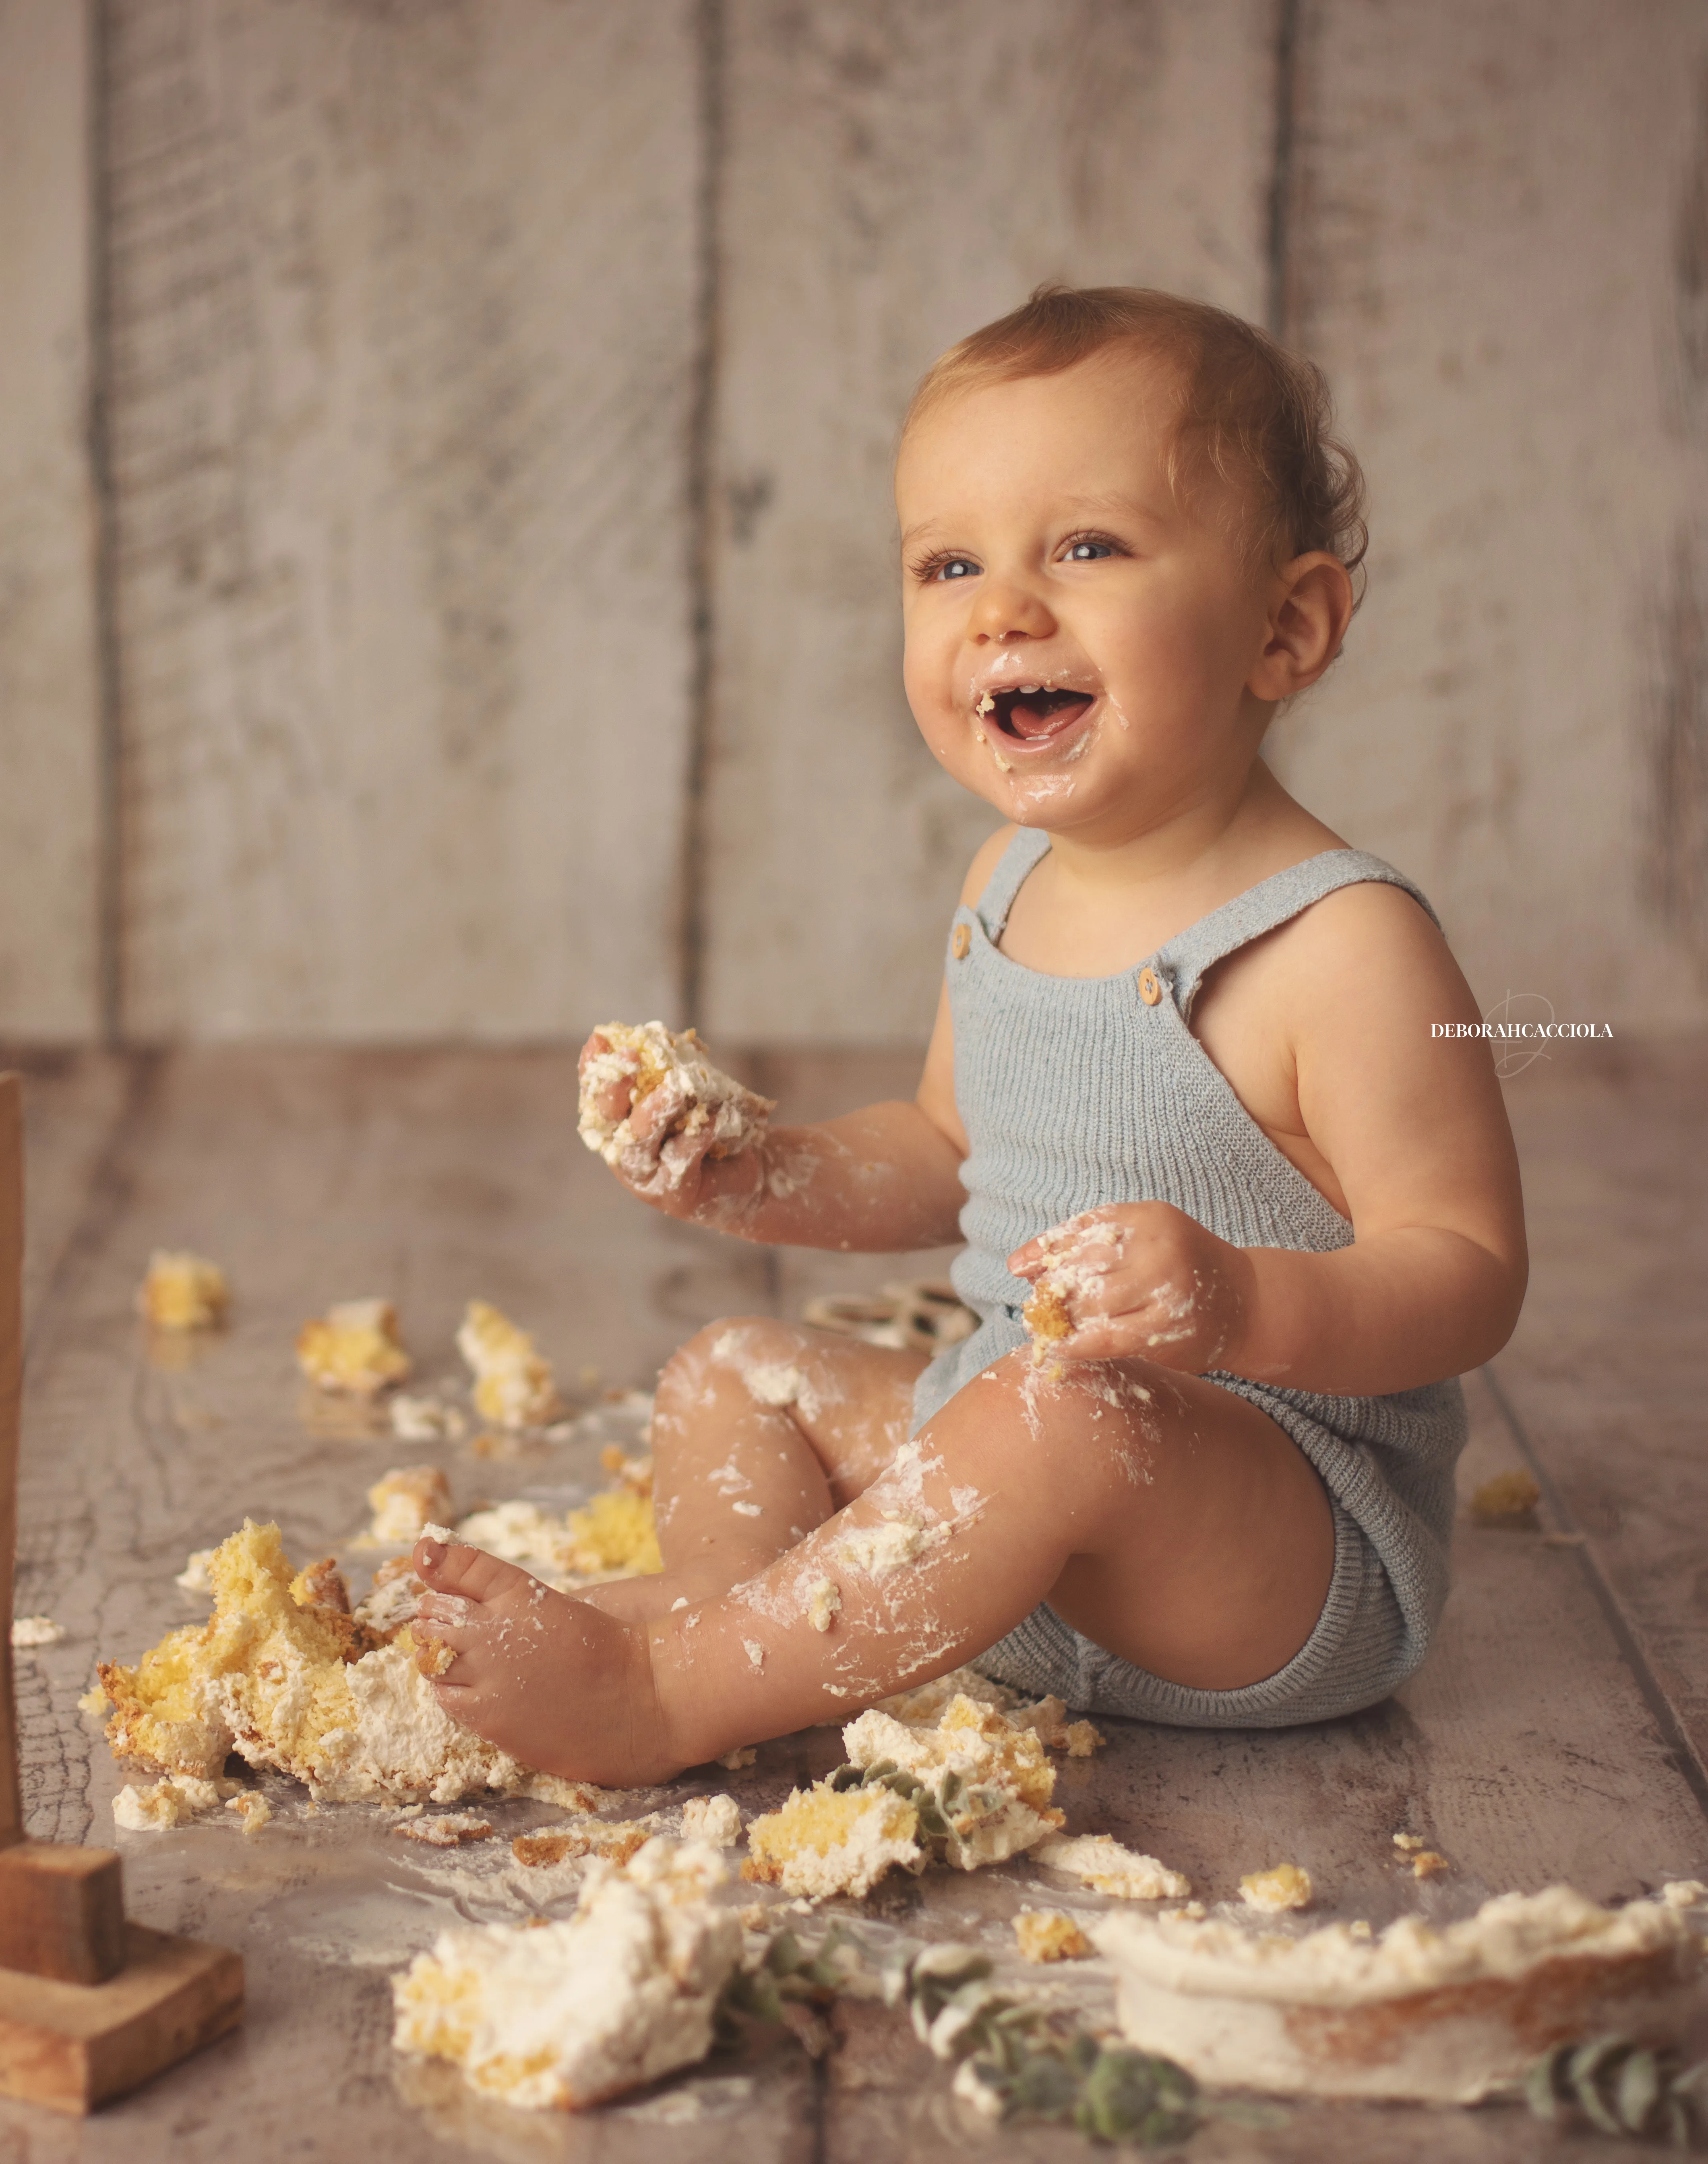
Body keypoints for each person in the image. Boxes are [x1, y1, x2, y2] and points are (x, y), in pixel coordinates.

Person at [410, 285, 1526, 1787]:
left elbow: (1466, 1269)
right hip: (1010, 1467)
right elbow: (947, 1150)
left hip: (1269, 1551)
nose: (1000, 609)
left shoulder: (1338, 944)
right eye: (949, 564)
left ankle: (670, 1697)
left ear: (1285, 626)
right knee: (733, 1369)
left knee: (1060, 1414)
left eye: (1087, 547)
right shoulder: (1006, 881)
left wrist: (1239, 1301)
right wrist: (757, 1175)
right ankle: (737, 1616)